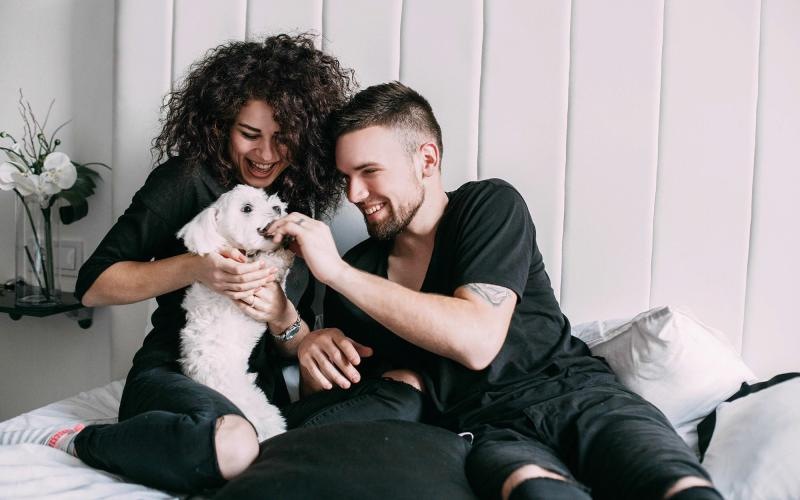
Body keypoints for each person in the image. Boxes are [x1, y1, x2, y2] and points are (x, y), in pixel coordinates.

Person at [266, 81, 725, 500]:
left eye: (369, 172)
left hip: (581, 399)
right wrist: (311, 350)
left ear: (427, 160)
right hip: (489, 434)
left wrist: (336, 274)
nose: (355, 194)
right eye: (346, 177)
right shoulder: (358, 271)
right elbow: (356, 408)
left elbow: (477, 340)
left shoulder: (487, 206)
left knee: (676, 488)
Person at [2, 34, 353, 492]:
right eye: (249, 134)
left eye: (283, 139)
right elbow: (94, 285)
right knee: (233, 445)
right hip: (172, 371)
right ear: (220, 124)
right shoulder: (185, 180)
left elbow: (291, 342)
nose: (266, 155)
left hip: (254, 382)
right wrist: (197, 267)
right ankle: (85, 441)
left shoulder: (296, 204)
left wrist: (282, 316)